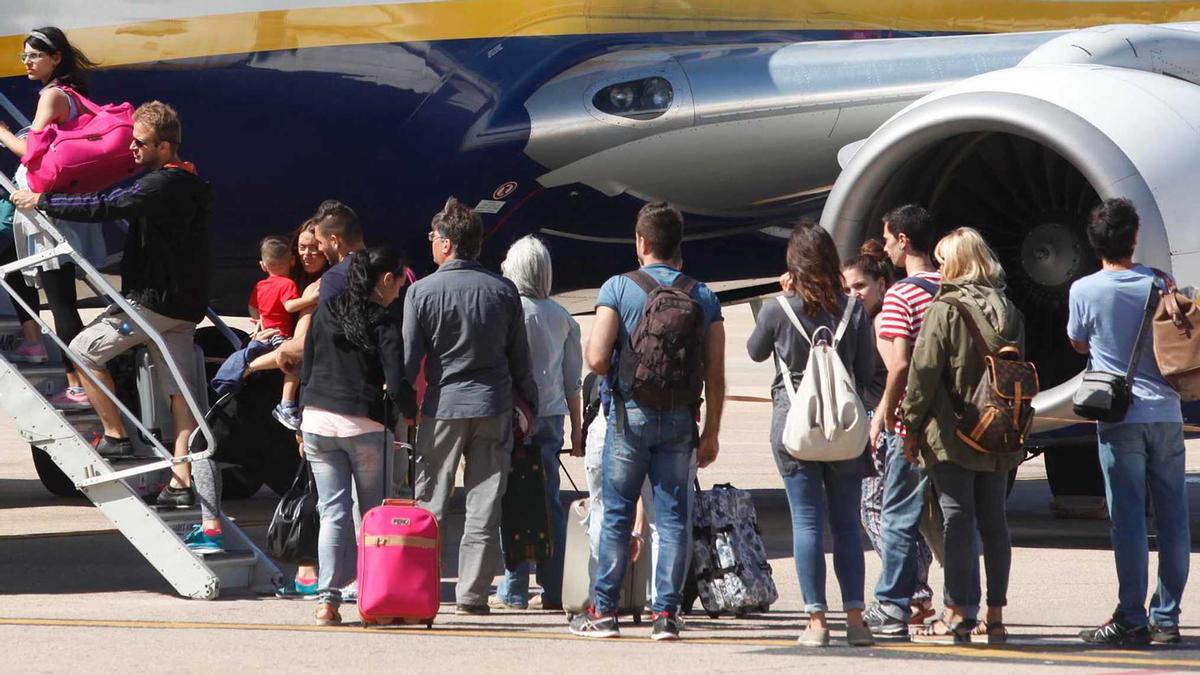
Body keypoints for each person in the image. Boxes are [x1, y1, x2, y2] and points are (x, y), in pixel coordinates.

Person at [11, 101, 218, 549]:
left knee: (82, 350)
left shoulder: (163, 183)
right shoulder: (189, 181)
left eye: (140, 143)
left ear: (164, 146)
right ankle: (181, 480)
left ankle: (117, 436)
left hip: (155, 304)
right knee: (180, 396)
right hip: (183, 307)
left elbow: (107, 204)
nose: (132, 149)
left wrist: (42, 200)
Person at [571, 201, 725, 642]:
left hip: (628, 417)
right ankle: (666, 616)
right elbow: (715, 372)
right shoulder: (704, 296)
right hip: (680, 418)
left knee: (617, 514)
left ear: (640, 242)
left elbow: (598, 357)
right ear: (679, 245)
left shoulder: (619, 288)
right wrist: (712, 430)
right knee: (674, 516)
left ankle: (604, 611)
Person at [403, 197, 538, 615]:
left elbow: (409, 360)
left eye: (431, 238)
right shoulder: (503, 291)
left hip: (444, 407)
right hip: (493, 405)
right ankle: (473, 595)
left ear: (445, 244)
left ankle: (421, 589)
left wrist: (405, 407)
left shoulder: (421, 292)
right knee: (484, 505)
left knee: (431, 505)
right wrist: (528, 407)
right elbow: (521, 361)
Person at [747, 222, 876, 647]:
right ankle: (855, 620)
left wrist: (783, 295)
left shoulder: (778, 309)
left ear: (793, 264)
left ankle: (816, 622)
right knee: (845, 524)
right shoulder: (854, 310)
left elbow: (754, 350)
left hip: (794, 423)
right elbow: (867, 368)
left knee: (806, 522)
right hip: (842, 423)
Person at [1069, 199, 1189, 647]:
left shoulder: (1084, 289)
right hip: (1165, 413)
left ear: (1093, 241)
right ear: (1134, 238)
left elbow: (1079, 344)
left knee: (1129, 519)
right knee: (1174, 517)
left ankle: (1131, 616)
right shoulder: (1161, 282)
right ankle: (1167, 617)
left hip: (1118, 415)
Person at [900, 227, 1023, 644]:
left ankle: (957, 611)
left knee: (957, 519)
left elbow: (923, 373)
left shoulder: (945, 309)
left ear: (954, 263)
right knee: (995, 523)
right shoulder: (1008, 308)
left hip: (953, 431)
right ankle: (996, 613)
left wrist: (910, 424)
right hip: (1000, 428)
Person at [301, 246, 417, 625]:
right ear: (386, 280)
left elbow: (307, 367)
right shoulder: (383, 322)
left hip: (317, 422)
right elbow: (398, 382)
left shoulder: (323, 313)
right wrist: (411, 414)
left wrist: (303, 415)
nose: (400, 291)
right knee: (372, 516)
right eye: (399, 283)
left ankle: (327, 602)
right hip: (365, 425)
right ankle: (374, 596)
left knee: (332, 512)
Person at [0, 27, 107, 409]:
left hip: (44, 208)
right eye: (24, 56)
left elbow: (31, 152)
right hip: (55, 204)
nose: (27, 62)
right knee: (42, 285)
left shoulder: (52, 95)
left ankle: (77, 383)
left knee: (61, 301)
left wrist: (3, 134)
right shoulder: (72, 94)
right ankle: (55, 360)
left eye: (34, 55)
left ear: (56, 58)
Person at [844, 241, 938, 625]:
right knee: (895, 512)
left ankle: (910, 592)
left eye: (860, 287)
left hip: (888, 426)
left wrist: (880, 419)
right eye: (847, 289)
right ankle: (914, 587)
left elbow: (899, 374)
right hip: (893, 424)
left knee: (874, 509)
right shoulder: (865, 321)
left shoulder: (884, 323)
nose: (853, 295)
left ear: (882, 284)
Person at [862, 204, 944, 637]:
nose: (887, 245)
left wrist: (881, 418)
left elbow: (899, 366)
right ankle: (964, 606)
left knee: (893, 513)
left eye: (889, 237)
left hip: (911, 422)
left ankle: (894, 604)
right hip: (953, 421)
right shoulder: (952, 286)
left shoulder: (901, 294)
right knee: (953, 516)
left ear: (905, 240)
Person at [489, 235, 583, 612]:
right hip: (551, 416)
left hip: (513, 415)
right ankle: (555, 586)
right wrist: (577, 429)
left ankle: (513, 587)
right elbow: (572, 379)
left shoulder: (509, 310)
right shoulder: (563, 317)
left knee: (511, 499)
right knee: (549, 502)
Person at [246, 235, 303, 429]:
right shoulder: (288, 284)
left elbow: (252, 307)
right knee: (295, 364)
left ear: (263, 265)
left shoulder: (260, 285)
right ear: (293, 261)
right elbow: (289, 306)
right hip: (280, 335)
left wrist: (259, 321)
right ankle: (286, 404)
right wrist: (312, 299)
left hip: (264, 334)